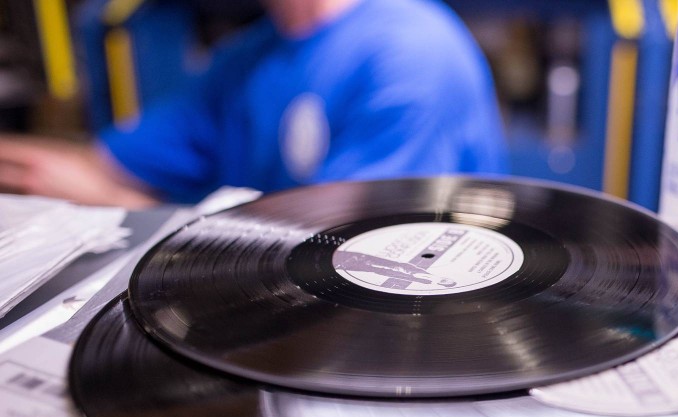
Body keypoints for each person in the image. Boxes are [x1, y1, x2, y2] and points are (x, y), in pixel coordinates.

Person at [0, 0, 507, 208]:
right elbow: (93, 167)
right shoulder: (248, 57)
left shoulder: (411, 56)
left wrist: (119, 204)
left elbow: (347, 263)